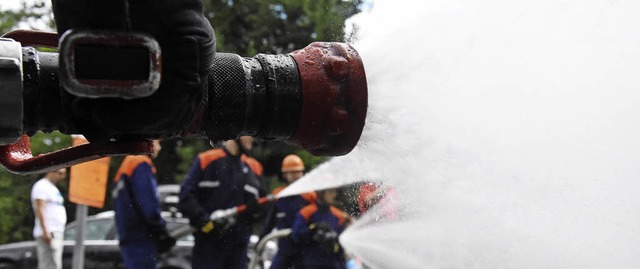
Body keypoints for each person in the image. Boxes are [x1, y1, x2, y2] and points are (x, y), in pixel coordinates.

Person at [179, 136, 266, 269]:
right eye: (248, 133)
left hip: (238, 248)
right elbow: (186, 197)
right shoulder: (206, 160)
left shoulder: (254, 167)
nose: (252, 138)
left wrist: (256, 210)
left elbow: (263, 206)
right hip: (209, 245)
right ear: (236, 134)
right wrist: (205, 222)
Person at [112, 140, 175, 269]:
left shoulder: (127, 165)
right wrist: (160, 229)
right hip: (142, 237)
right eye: (158, 142)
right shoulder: (140, 162)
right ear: (149, 141)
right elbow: (147, 201)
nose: (159, 147)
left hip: (129, 235)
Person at [260, 154, 316, 269]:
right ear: (285, 174)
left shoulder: (310, 196)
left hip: (304, 249)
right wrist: (261, 240)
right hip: (284, 249)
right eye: (291, 172)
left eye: (297, 172)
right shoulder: (279, 195)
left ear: (302, 173)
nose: (295, 175)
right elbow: (269, 222)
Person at [291, 188, 349, 269]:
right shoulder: (307, 212)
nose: (334, 195)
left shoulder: (338, 215)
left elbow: (342, 243)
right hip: (312, 263)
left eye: (334, 191)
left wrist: (334, 241)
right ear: (321, 193)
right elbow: (296, 236)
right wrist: (313, 231)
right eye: (330, 191)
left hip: (333, 264)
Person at [31, 168, 67, 269]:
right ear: (51, 171)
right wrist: (45, 231)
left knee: (54, 264)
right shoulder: (41, 186)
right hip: (48, 233)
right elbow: (39, 209)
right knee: (48, 265)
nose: (62, 177)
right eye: (60, 173)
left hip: (56, 232)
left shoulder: (52, 188)